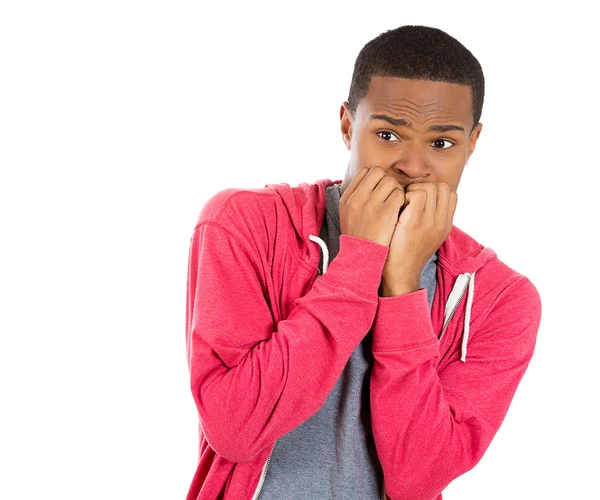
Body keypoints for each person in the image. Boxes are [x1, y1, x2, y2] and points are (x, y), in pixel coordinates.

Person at [184, 25, 542, 500]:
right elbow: (235, 429)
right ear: (348, 125)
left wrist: (401, 288)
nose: (414, 166)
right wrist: (358, 264)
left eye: (441, 144)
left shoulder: (502, 298)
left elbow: (418, 479)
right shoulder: (244, 225)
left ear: (472, 143)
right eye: (389, 134)